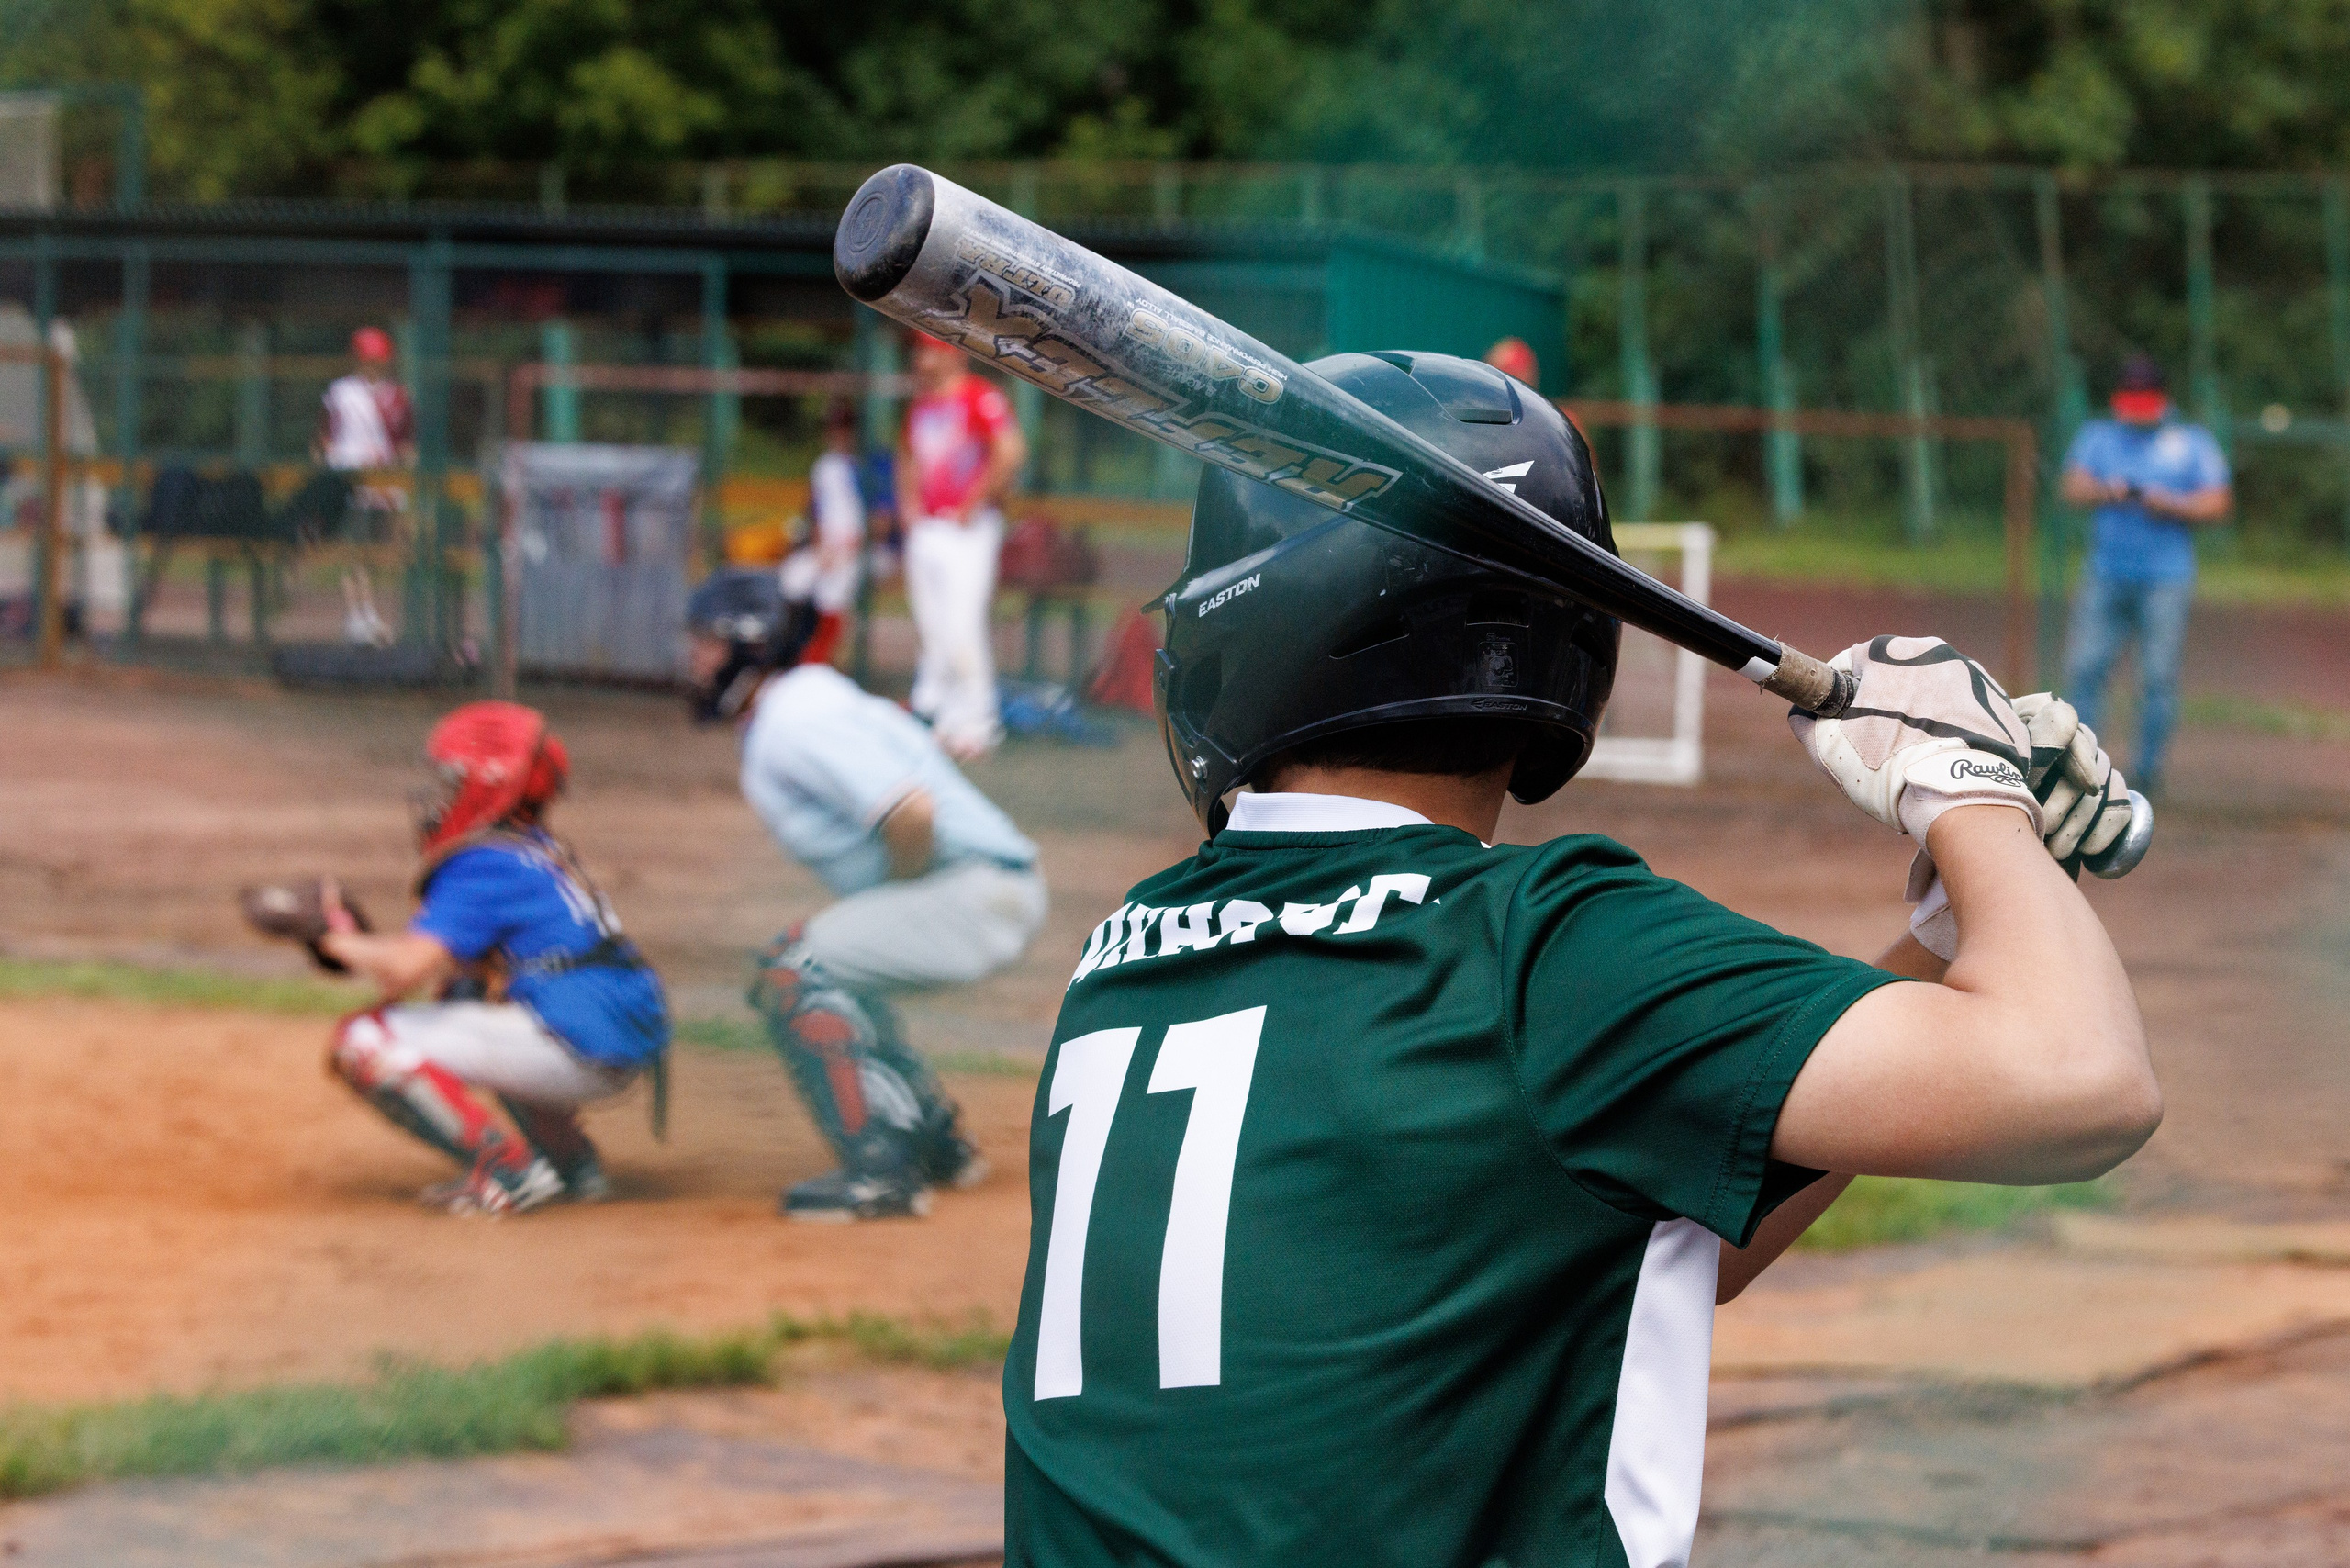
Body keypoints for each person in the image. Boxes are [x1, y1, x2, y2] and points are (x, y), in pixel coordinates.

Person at [1001, 351, 2157, 1567]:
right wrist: (1964, 790)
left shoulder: (1127, 957)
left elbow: (1609, 1248)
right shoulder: (1543, 945)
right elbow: (2082, 1082)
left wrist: (1948, 937)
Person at [686, 569, 1049, 1221]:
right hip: (986, 885)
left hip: (976, 890)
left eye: (708, 642)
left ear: (752, 644)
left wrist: (901, 896)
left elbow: (909, 811)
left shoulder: (792, 721)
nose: (695, 658)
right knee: (841, 968)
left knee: (792, 971)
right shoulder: (806, 700)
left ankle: (882, 1173)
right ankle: (937, 1145)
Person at [318, 701, 670, 1216]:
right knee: (463, 991)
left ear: (490, 784)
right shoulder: (530, 849)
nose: (441, 796)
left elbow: (403, 971)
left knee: (361, 1040)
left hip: (581, 1042)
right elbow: (449, 968)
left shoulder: (484, 861)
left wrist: (330, 939)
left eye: (454, 780)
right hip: (608, 1029)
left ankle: (507, 1170)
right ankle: (568, 1161)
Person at [2058, 353, 2232, 795]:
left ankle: (2148, 774)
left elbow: (2218, 501)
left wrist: (2169, 503)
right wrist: (2106, 491)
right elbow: (2071, 487)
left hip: (2165, 579)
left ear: (2162, 399)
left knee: (2157, 677)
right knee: (2086, 668)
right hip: (2105, 572)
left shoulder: (2191, 441)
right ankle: (2082, 768)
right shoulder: (2098, 435)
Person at [897, 332, 1028, 759]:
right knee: (934, 631)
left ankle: (979, 723)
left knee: (961, 626)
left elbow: (1010, 451)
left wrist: (974, 502)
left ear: (951, 353)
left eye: (929, 350)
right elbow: (907, 457)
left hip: (967, 531)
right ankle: (946, 721)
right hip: (929, 529)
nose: (922, 359)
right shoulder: (922, 403)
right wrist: (908, 508)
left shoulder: (979, 396)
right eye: (919, 351)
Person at [313, 326, 414, 646]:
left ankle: (371, 613)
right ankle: (359, 617)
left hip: (383, 483)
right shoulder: (341, 392)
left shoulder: (397, 396)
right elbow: (324, 440)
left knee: (381, 552)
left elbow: (406, 445)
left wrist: (403, 473)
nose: (372, 365)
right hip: (348, 478)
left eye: (377, 359)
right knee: (353, 549)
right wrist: (329, 472)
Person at [779, 398, 867, 667]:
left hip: (860, 548)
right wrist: (820, 548)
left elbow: (881, 520)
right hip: (827, 548)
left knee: (834, 589)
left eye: (843, 427)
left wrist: (849, 546)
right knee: (793, 578)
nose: (837, 433)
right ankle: (795, 651)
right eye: (833, 427)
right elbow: (815, 514)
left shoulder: (866, 465)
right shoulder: (825, 465)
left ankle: (820, 658)